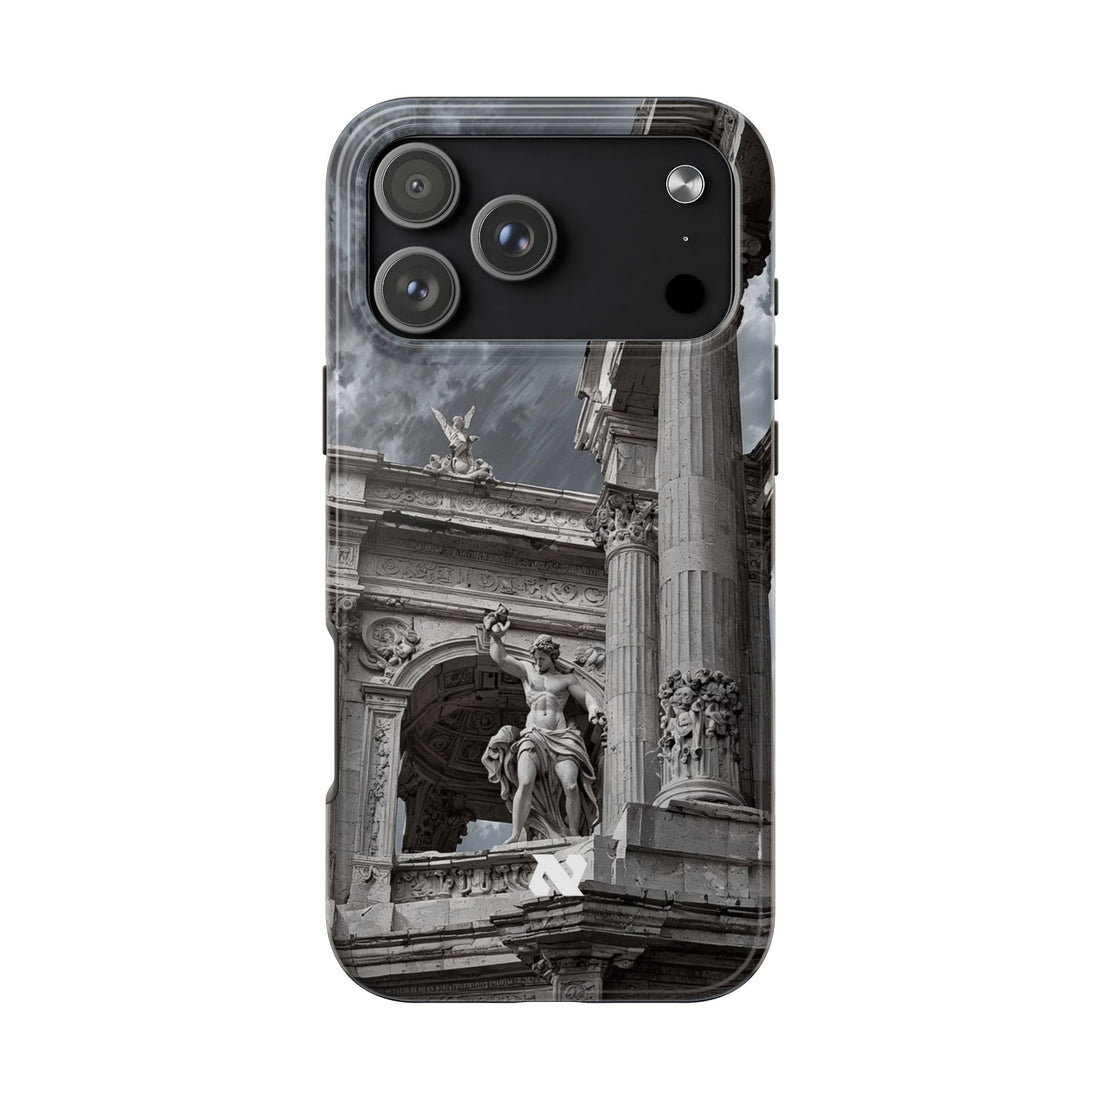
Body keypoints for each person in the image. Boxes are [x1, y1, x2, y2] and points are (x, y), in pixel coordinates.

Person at [481, 617, 602, 842]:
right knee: (525, 782)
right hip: (533, 734)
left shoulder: (567, 679)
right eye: (535, 658)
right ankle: (516, 834)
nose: (538, 663)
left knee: (571, 785)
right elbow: (502, 659)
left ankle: (573, 833)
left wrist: (594, 709)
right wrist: (496, 638)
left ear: (552, 656)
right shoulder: (528, 671)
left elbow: (585, 697)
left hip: (562, 736)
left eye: (542, 659)